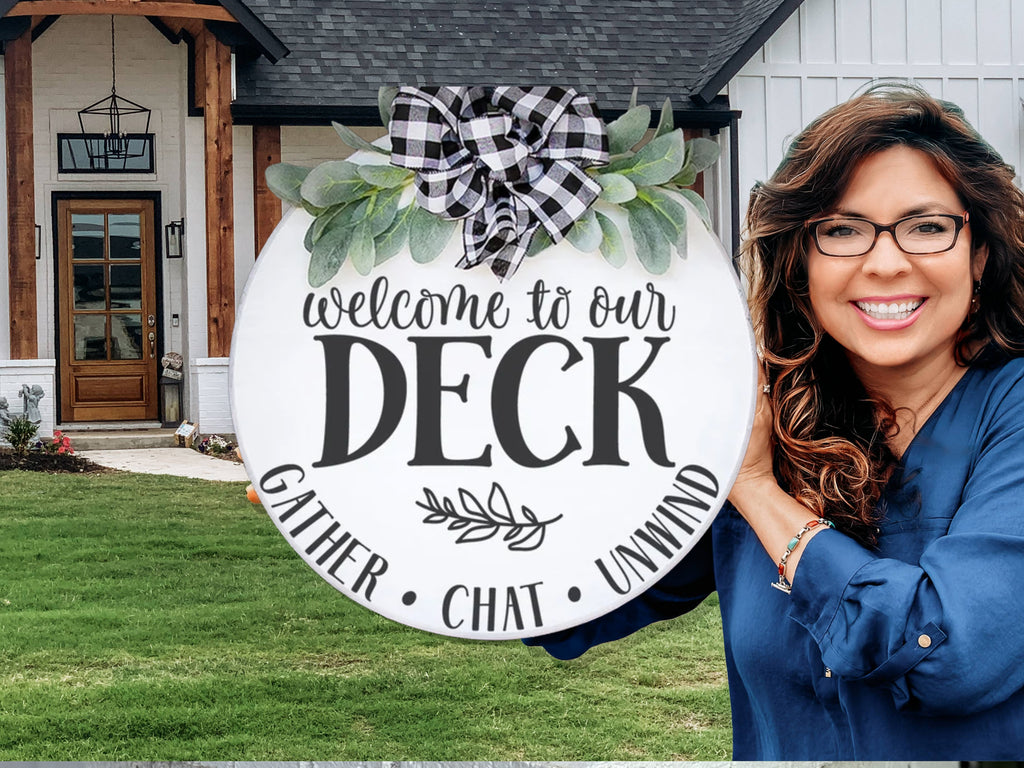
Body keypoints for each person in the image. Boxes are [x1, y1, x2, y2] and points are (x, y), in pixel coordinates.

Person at [525, 84, 1024, 759]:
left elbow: (951, 656)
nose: (884, 262)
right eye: (842, 230)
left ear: (980, 252)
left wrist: (758, 489)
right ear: (802, 261)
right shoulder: (765, 413)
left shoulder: (1009, 413)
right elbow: (570, 599)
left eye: (927, 226)